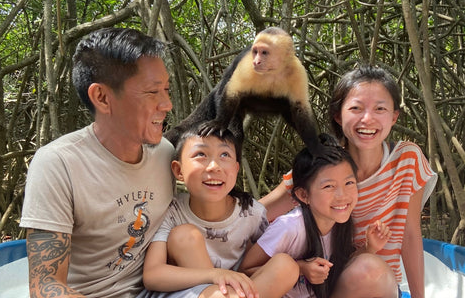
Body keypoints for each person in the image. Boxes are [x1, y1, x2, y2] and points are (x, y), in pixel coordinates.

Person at [20, 28, 175, 298]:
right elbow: (45, 285)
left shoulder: (165, 153)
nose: (167, 104)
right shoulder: (58, 164)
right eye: (152, 92)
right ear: (102, 98)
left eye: (166, 89)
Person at [261, 65, 437, 298]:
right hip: (316, 284)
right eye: (356, 108)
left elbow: (410, 234)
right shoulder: (320, 164)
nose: (367, 119)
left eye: (380, 108)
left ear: (394, 116)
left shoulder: (407, 159)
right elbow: (258, 214)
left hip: (376, 283)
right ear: (338, 114)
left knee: (368, 269)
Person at [140, 128, 299, 298]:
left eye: (224, 155)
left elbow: (257, 265)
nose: (214, 166)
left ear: (236, 169)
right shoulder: (171, 211)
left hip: (236, 292)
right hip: (190, 292)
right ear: (178, 170)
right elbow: (152, 275)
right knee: (185, 236)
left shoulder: (252, 213)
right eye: (201, 154)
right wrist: (214, 274)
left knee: (286, 265)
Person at [241, 134, 392, 298]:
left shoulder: (339, 222)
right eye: (329, 186)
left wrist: (370, 248)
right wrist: (300, 268)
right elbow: (245, 270)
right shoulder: (290, 227)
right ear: (303, 195)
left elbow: (341, 269)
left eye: (349, 183)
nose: (342, 195)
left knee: (373, 268)